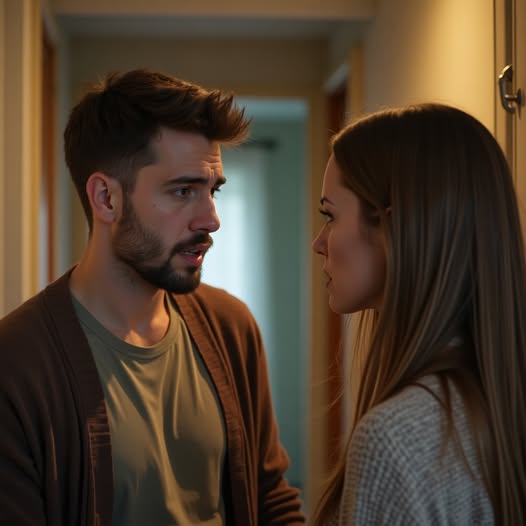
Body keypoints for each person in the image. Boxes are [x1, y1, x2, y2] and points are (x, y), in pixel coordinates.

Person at [0, 69, 305, 525]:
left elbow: (270, 498)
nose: (211, 219)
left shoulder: (230, 326)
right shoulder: (17, 362)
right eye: (183, 191)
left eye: (212, 191)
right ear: (106, 198)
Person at [311, 103, 526, 525]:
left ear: (392, 228)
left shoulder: (395, 439)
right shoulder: (499, 402)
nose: (319, 243)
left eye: (330, 216)